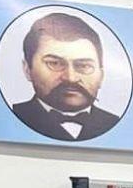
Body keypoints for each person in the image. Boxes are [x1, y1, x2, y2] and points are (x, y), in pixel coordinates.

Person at [11, 12, 121, 142]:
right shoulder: (12, 116)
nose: (70, 78)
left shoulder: (115, 124)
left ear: (101, 75)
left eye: (84, 66)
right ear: (27, 69)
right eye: (54, 63)